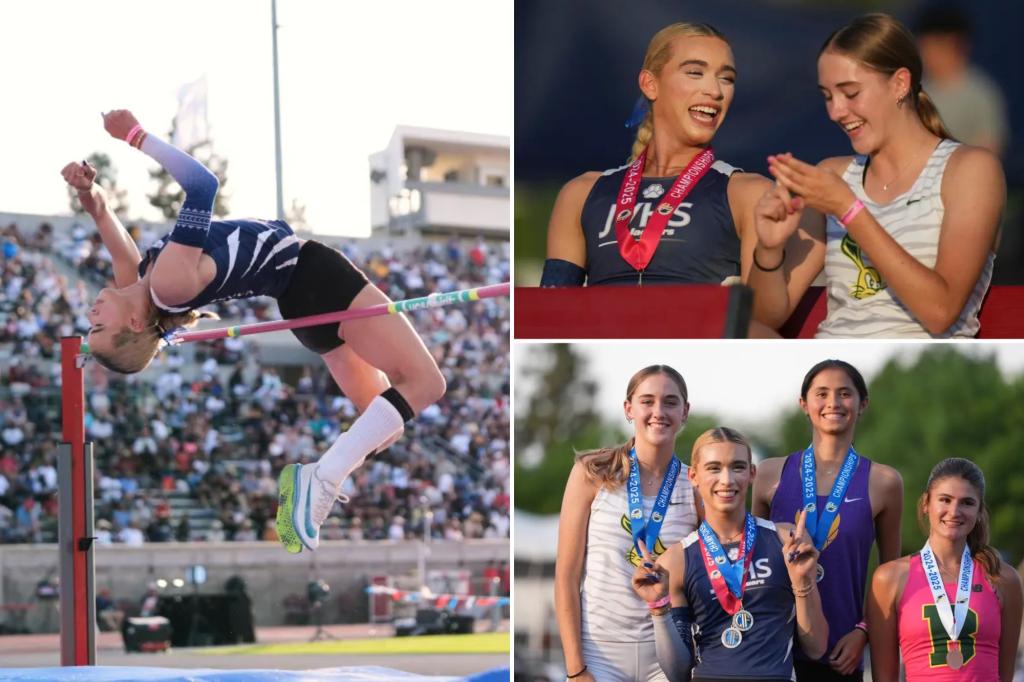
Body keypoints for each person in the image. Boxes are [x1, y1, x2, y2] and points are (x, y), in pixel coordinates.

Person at [62, 110, 445, 554]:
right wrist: (135, 135)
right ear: (132, 324)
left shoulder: (143, 285)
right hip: (315, 277)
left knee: (386, 424)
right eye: (97, 324)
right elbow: (204, 187)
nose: (91, 310)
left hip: (301, 305)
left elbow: (108, 221)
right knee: (426, 383)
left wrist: (90, 194)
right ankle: (319, 478)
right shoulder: (167, 282)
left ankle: (322, 479)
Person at [749, 13, 1004, 338]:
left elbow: (940, 312)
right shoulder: (833, 174)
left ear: (899, 83)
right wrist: (769, 249)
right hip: (833, 364)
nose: (835, 111)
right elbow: (764, 317)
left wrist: (849, 210)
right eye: (827, 96)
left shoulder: (970, 169)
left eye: (850, 93)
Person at [541, 22, 769, 287]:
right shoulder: (580, 194)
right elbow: (552, 311)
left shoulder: (749, 193)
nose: (716, 91)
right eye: (695, 72)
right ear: (650, 84)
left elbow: (761, 315)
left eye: (726, 78)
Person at [632, 427, 828, 681]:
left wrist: (803, 583)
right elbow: (677, 671)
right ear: (693, 476)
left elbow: (816, 648)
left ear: (751, 473)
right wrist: (659, 607)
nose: (727, 480)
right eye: (714, 468)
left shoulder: (785, 540)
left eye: (737, 467)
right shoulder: (676, 560)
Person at [752, 359, 903, 681]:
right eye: (822, 393)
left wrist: (864, 631)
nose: (833, 403)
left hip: (841, 653)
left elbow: (892, 576)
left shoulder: (884, 482)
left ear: (862, 404)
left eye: (844, 393)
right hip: (772, 650)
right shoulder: (768, 474)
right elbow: (749, 559)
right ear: (804, 404)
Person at [555, 365, 701, 681]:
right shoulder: (591, 473)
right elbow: (566, 575)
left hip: (667, 655)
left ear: (685, 412)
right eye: (647, 401)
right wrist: (575, 669)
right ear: (628, 409)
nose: (658, 411)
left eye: (670, 402)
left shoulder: (696, 485)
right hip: (599, 655)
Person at [866, 458, 1023, 682]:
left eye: (967, 503)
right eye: (945, 500)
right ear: (925, 504)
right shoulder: (890, 578)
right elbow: (884, 677)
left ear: (979, 512)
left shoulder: (1002, 577)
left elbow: (1005, 675)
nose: (954, 511)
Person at [915, 5, 1008, 157]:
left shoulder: (980, 94)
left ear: (958, 46)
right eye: (924, 47)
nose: (928, 54)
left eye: (936, 47)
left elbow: (990, 149)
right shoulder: (914, 90)